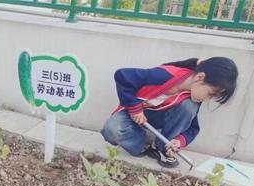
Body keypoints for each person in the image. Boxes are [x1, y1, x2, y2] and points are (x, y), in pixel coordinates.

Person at [101, 57, 238, 168]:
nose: (206, 99)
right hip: (134, 113)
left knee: (188, 107)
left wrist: (178, 141)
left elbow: (193, 127)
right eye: (210, 94)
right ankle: (140, 144)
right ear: (199, 77)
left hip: (157, 117)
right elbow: (121, 75)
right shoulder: (163, 75)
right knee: (111, 130)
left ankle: (161, 148)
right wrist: (135, 109)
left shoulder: (193, 98)